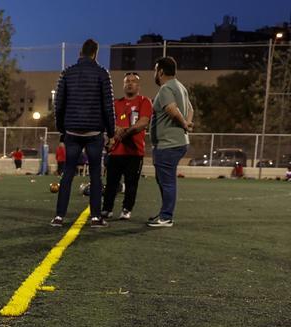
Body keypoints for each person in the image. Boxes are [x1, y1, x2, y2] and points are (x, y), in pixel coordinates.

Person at [51, 39, 115, 228]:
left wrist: (62, 129)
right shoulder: (102, 74)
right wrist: (111, 133)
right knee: (95, 175)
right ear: (95, 53)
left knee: (68, 174)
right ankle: (96, 217)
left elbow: (59, 105)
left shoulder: (67, 73)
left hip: (72, 131)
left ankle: (59, 217)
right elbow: (108, 107)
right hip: (94, 132)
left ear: (80, 52)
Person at [147, 56, 193, 229]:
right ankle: (164, 213)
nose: (154, 74)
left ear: (160, 72)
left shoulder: (166, 88)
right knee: (164, 179)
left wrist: (184, 124)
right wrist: (187, 123)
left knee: (167, 181)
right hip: (175, 142)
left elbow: (172, 110)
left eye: (155, 70)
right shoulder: (180, 87)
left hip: (169, 143)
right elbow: (191, 109)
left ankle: (166, 217)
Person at [102, 71, 153, 220]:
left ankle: (126, 209)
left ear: (138, 85)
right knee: (111, 183)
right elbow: (109, 123)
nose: (130, 83)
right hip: (116, 151)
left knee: (131, 184)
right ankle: (107, 209)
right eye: (127, 81)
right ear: (123, 85)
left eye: (133, 81)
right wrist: (115, 130)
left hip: (135, 152)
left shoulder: (144, 101)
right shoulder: (115, 104)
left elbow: (143, 123)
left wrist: (123, 132)